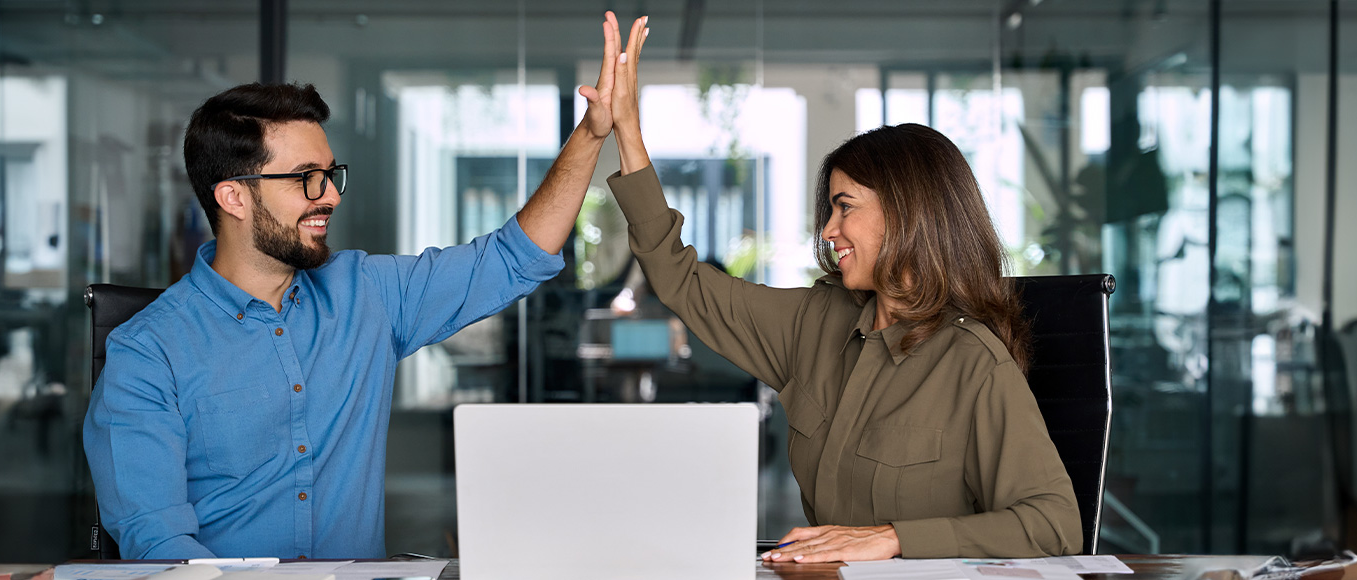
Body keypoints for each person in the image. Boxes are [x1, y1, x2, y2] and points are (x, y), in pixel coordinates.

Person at [83, 14, 641, 560]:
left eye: (330, 175)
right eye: (306, 179)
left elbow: (513, 258)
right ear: (233, 197)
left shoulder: (367, 294)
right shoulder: (147, 353)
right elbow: (160, 547)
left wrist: (592, 135)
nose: (330, 195)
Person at [593, 17, 1082, 561]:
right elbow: (679, 278)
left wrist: (893, 538)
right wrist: (628, 132)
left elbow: (1053, 525)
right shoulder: (813, 322)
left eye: (844, 207)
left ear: (906, 213)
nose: (828, 230)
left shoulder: (975, 363)